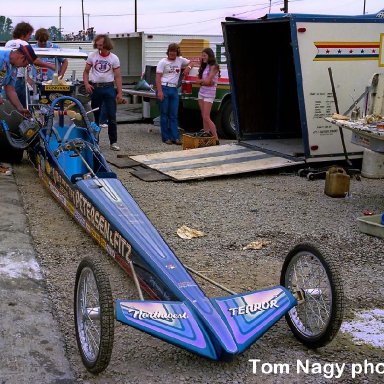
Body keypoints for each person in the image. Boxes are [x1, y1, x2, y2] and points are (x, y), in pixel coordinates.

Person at [0, 45, 37, 174]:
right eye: (25, 63)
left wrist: (21, 109)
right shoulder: (0, 56)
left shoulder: (13, 68)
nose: (23, 67)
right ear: (22, 57)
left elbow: (10, 89)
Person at [83, 34, 124, 151]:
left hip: (109, 88)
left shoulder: (114, 58)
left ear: (106, 44)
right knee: (95, 116)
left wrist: (120, 93)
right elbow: (86, 72)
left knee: (112, 116)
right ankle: (95, 141)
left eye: (101, 44)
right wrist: (86, 84)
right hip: (96, 88)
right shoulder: (92, 56)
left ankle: (113, 142)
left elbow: (118, 77)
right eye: (97, 45)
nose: (99, 47)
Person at [5, 22, 55, 107]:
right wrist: (50, 66)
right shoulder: (24, 44)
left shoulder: (8, 43)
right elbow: (34, 60)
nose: (29, 38)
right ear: (24, 34)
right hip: (19, 80)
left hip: (8, 79)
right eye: (29, 35)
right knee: (26, 106)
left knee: (10, 106)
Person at [155, 43, 191, 145]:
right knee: (164, 114)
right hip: (164, 87)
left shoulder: (180, 60)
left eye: (174, 51)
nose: (172, 53)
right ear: (168, 52)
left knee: (173, 115)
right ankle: (166, 137)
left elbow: (192, 62)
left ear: (177, 52)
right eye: (171, 51)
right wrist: (160, 91)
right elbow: (158, 77)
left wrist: (188, 67)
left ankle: (175, 137)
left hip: (174, 89)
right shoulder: (162, 62)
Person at [194, 48, 220, 145]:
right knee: (203, 116)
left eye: (204, 55)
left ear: (210, 55)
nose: (203, 57)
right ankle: (206, 136)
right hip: (202, 92)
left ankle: (216, 138)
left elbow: (208, 81)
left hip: (209, 93)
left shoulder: (214, 66)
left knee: (206, 116)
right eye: (202, 55)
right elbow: (202, 80)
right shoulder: (204, 66)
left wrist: (201, 81)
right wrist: (203, 81)